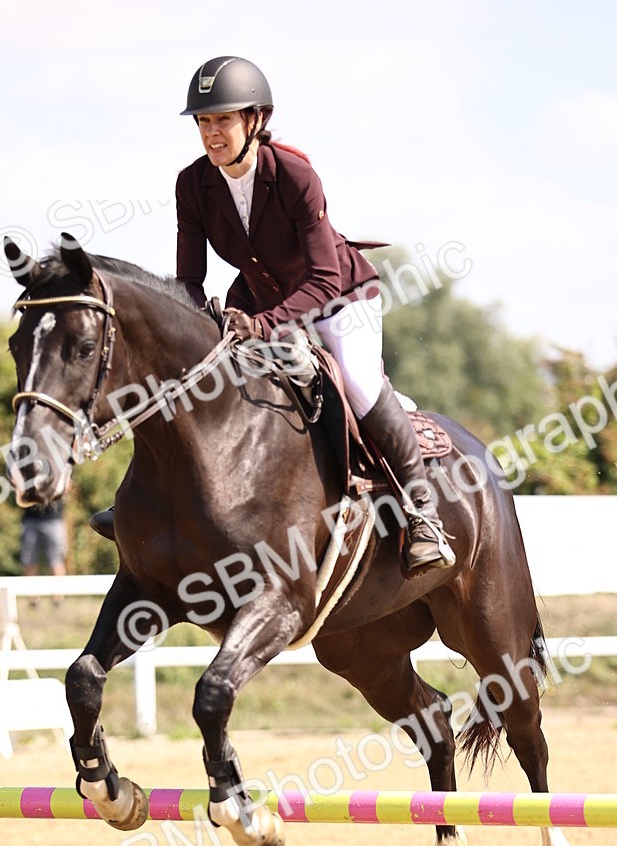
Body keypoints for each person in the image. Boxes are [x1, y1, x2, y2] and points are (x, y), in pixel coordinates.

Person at [93, 56, 454, 575]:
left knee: (357, 381)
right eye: (203, 122)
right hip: (260, 298)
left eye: (222, 120)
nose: (211, 133)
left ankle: (422, 515)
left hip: (338, 297)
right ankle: (145, 500)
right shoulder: (193, 185)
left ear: (255, 120)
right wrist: (197, 330)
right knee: (190, 378)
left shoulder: (295, 175)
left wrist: (262, 325)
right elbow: (188, 282)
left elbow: (325, 276)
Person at [20, 499, 68, 604]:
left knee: (56, 561)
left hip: (53, 518)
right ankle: (33, 598)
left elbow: (68, 487)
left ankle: (58, 598)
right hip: (30, 518)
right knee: (29, 561)